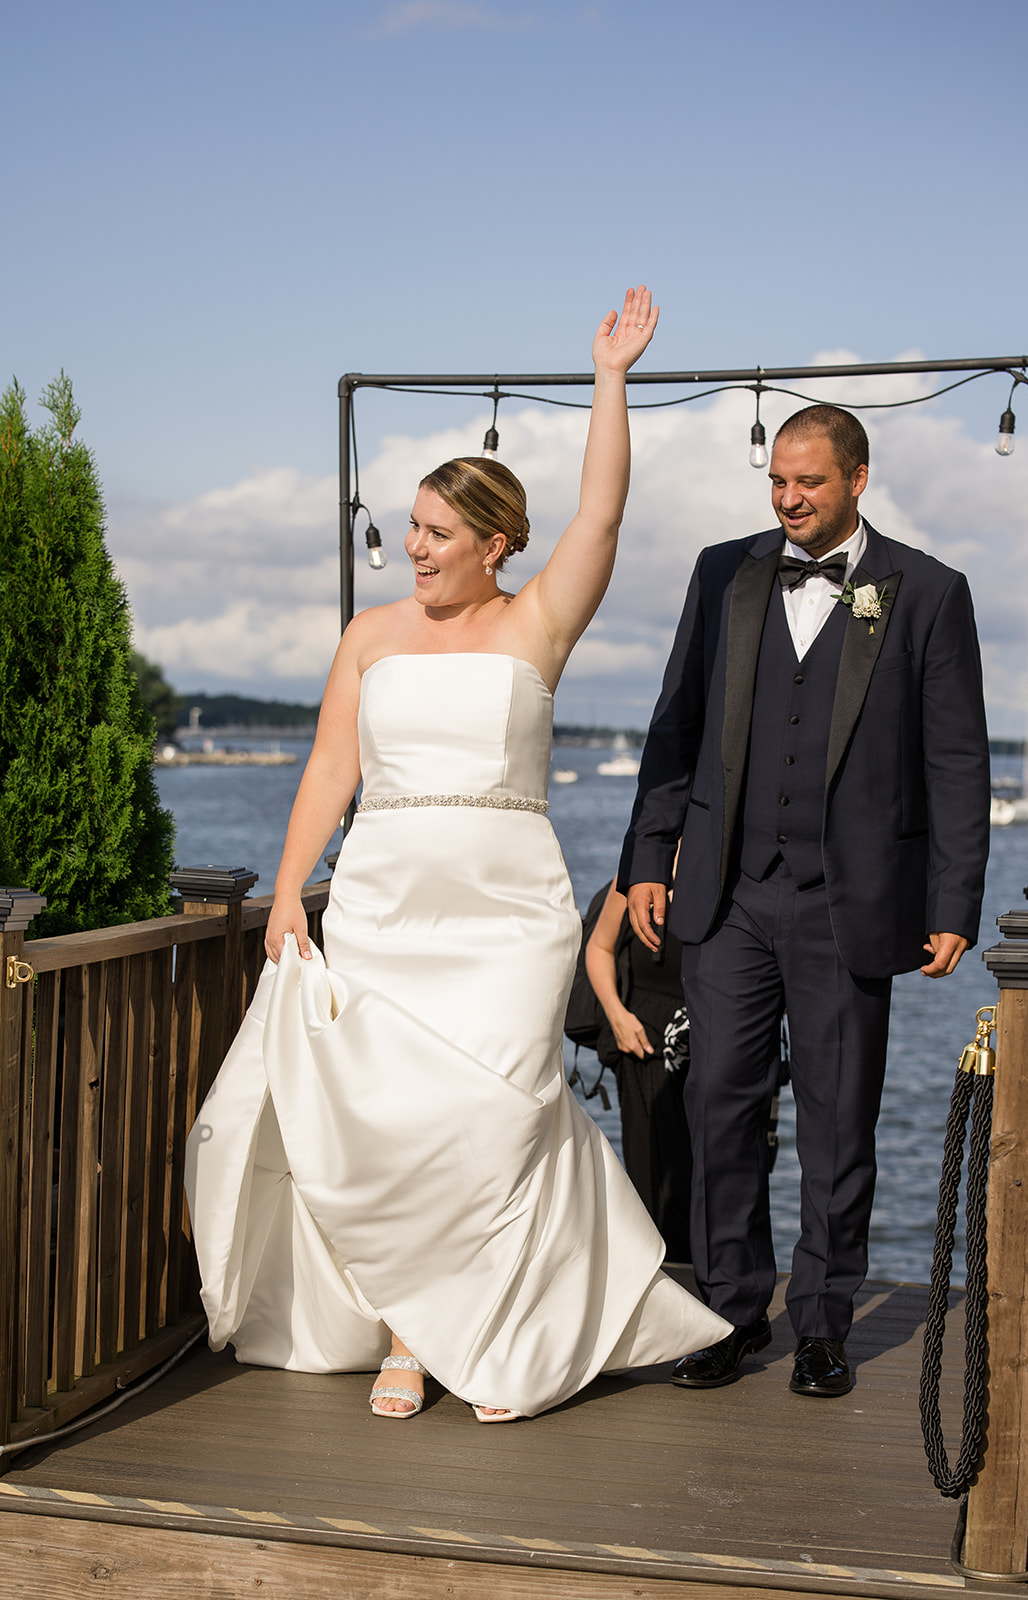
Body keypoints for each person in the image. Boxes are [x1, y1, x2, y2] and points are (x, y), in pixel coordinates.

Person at [185, 287, 733, 1424]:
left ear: (494, 545)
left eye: (438, 534)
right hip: (385, 912)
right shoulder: (368, 638)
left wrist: (610, 379)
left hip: (505, 921)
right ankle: (406, 1335)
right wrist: (289, 890)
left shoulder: (538, 622)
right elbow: (329, 771)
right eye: (413, 529)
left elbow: (602, 514)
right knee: (402, 1131)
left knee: (495, 1123)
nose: (415, 550)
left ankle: (496, 1331)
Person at [619, 404, 989, 1399]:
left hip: (847, 905)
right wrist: (646, 857)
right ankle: (731, 1312)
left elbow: (954, 759)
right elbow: (673, 727)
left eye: (808, 482)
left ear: (856, 479)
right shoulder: (720, 571)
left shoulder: (925, 592)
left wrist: (953, 897)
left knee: (837, 1126)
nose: (787, 498)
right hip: (728, 898)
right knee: (718, 1110)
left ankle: (822, 1327)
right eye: (776, 480)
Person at [584, 874, 692, 1263]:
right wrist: (616, 1015)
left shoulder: (736, 868)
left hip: (711, 1043)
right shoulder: (638, 875)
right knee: (653, 1187)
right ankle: (664, 1290)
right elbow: (599, 946)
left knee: (712, 1182)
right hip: (642, 1044)